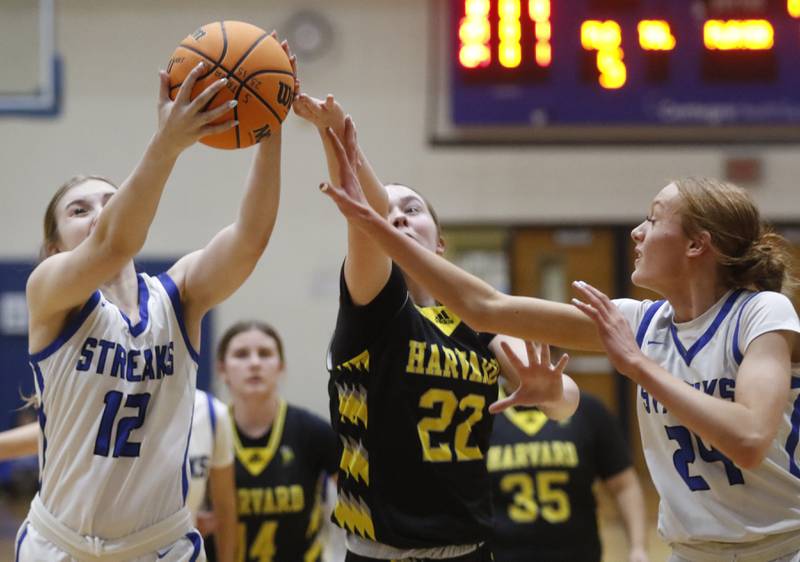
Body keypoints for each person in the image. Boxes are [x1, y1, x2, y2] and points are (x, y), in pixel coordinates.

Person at [319, 146, 800, 562]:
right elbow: (488, 307)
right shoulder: (641, 321)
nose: (636, 231)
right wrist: (368, 219)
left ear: (697, 244)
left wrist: (635, 365)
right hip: (687, 550)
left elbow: (750, 438)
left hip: (779, 546)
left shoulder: (761, 311)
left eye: (652, 220)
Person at [16, 36, 295, 562]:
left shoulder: (178, 294)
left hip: (159, 546)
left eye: (110, 200)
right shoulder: (48, 292)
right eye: (79, 210)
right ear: (53, 247)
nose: (100, 213)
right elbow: (115, 241)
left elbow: (251, 237)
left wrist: (268, 128)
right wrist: (167, 142)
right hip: (62, 545)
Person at [294, 95, 580, 561]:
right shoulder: (375, 310)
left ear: (440, 243)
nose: (399, 216)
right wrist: (340, 139)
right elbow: (364, 213)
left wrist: (550, 391)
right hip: (382, 551)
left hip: (469, 549)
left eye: (413, 209)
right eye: (389, 212)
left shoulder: (477, 322)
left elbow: (566, 405)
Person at [0, 389, 238, 562]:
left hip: (169, 550)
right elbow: (45, 434)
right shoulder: (93, 393)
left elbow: (225, 508)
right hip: (78, 549)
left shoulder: (209, 412)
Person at [207, 320, 340, 562]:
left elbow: (362, 500)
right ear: (222, 369)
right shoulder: (205, 432)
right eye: (241, 355)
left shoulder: (313, 432)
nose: (255, 363)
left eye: (265, 354)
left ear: (280, 367)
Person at [488, 384, 650, 562]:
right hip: (502, 554)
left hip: (577, 554)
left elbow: (624, 485)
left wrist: (638, 548)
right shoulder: (482, 413)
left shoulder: (587, 409)